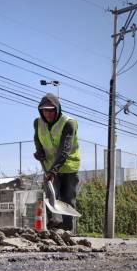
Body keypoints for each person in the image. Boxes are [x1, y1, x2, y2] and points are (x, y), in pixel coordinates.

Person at [33, 93, 80, 231]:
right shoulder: (38, 122)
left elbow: (64, 149)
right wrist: (39, 150)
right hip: (49, 166)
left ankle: (67, 230)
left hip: (69, 167)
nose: (48, 113)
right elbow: (37, 138)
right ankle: (53, 228)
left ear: (57, 109)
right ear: (41, 110)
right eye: (45, 110)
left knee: (68, 199)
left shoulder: (69, 123)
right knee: (51, 197)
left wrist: (54, 170)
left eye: (51, 110)